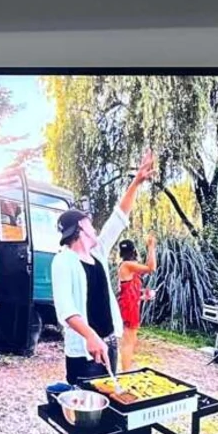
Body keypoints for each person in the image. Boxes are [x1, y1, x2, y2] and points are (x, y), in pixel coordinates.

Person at [52, 150, 154, 387]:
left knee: (107, 400)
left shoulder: (97, 254)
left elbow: (119, 217)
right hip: (85, 352)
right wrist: (90, 336)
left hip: (109, 344)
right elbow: (66, 310)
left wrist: (136, 182)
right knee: (86, 403)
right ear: (79, 229)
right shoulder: (63, 261)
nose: (95, 228)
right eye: (89, 224)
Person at [116, 233, 157, 374]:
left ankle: (126, 369)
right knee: (129, 340)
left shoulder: (128, 266)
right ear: (134, 251)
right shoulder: (127, 265)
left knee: (132, 339)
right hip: (129, 306)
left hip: (130, 304)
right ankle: (125, 372)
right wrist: (151, 247)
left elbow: (128, 289)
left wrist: (143, 295)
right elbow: (151, 268)